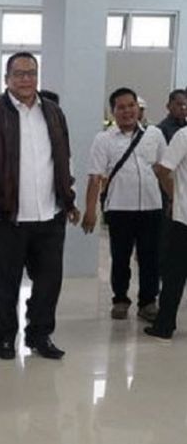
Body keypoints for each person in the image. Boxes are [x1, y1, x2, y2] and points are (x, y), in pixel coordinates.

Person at [0, 52, 80, 361]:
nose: (26, 79)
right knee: (5, 283)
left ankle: (39, 334)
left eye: (31, 73)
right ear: (7, 79)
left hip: (50, 215)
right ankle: (5, 337)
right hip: (6, 215)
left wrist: (68, 199)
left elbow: (63, 158)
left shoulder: (54, 113)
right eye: (19, 74)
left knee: (48, 282)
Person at [82, 87, 166, 321]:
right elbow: (95, 176)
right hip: (119, 208)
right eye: (121, 107)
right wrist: (91, 211)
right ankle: (120, 299)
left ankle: (148, 302)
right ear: (113, 112)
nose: (127, 111)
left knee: (151, 257)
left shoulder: (154, 134)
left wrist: (175, 199)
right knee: (120, 257)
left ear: (138, 108)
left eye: (131, 106)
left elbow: (162, 170)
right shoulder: (104, 139)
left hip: (152, 206)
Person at [144, 126, 187, 340]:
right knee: (174, 273)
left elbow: (162, 169)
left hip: (184, 217)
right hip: (184, 216)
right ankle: (164, 323)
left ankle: (164, 325)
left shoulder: (184, 135)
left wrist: (174, 196)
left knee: (175, 274)